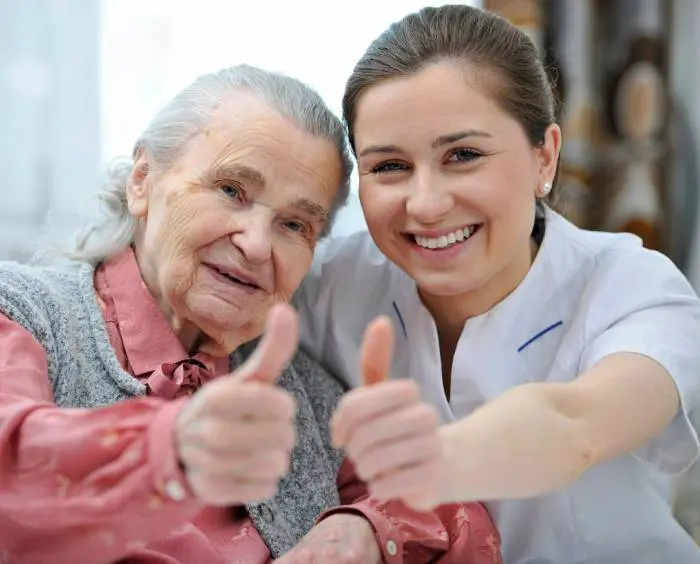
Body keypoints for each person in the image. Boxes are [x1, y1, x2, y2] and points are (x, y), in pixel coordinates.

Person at [0, 65, 501, 563]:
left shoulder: (299, 391)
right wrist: (170, 448)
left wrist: (362, 531)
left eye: (294, 224)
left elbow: (455, 511)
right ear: (142, 180)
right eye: (231, 190)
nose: (258, 245)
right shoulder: (21, 313)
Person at [294, 5, 700, 563]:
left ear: (545, 157)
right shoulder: (329, 283)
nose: (427, 204)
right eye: (389, 166)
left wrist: (424, 469)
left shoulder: (632, 287)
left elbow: (576, 425)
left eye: (463, 155)